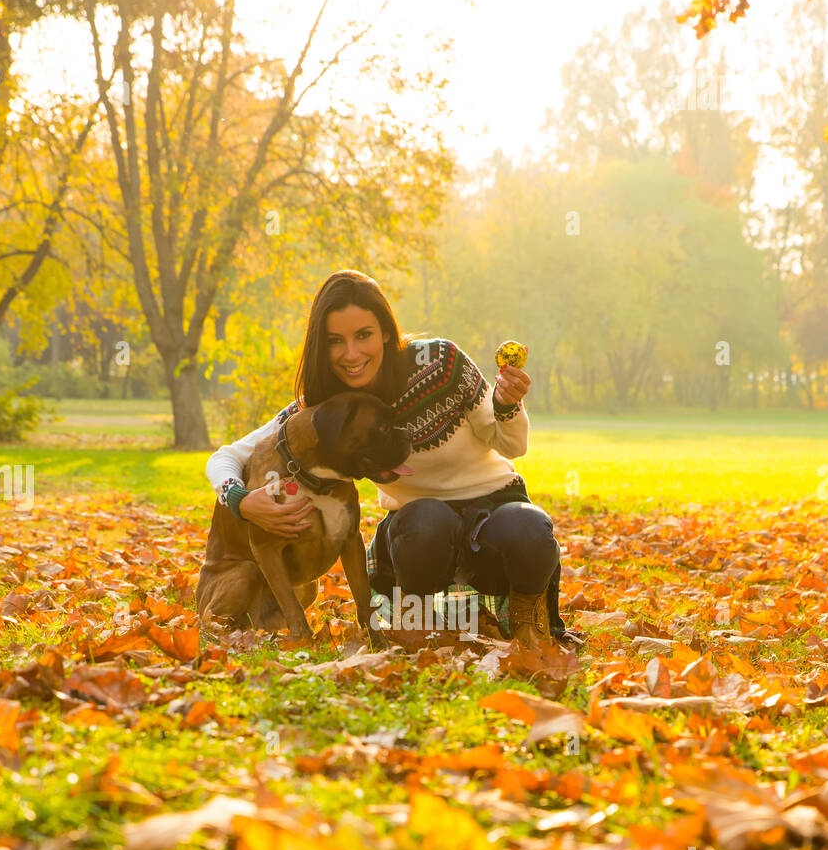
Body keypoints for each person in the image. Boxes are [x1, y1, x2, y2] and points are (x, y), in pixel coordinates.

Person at [205, 269, 575, 647]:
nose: (351, 354)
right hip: (420, 529)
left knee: (529, 531)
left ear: (384, 330)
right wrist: (240, 500)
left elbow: (511, 446)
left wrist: (507, 405)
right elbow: (227, 456)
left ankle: (530, 620)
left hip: (494, 508)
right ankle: (421, 622)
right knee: (425, 522)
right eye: (336, 341)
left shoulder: (441, 362)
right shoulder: (325, 409)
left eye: (363, 335)